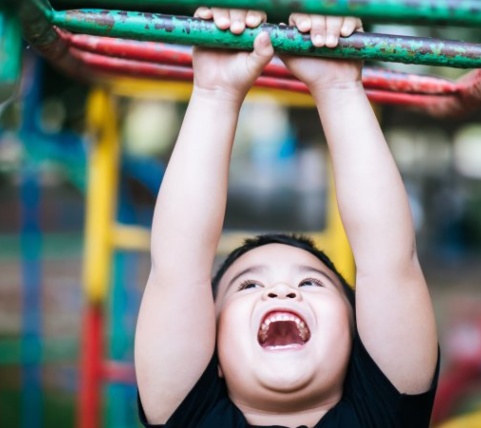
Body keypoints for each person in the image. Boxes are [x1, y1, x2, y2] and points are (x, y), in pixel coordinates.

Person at [134, 7, 439, 427]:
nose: (281, 291)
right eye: (249, 284)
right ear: (212, 353)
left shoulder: (383, 414)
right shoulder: (190, 417)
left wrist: (339, 88)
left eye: (311, 283)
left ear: (358, 340)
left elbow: (389, 264)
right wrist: (214, 93)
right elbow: (177, 270)